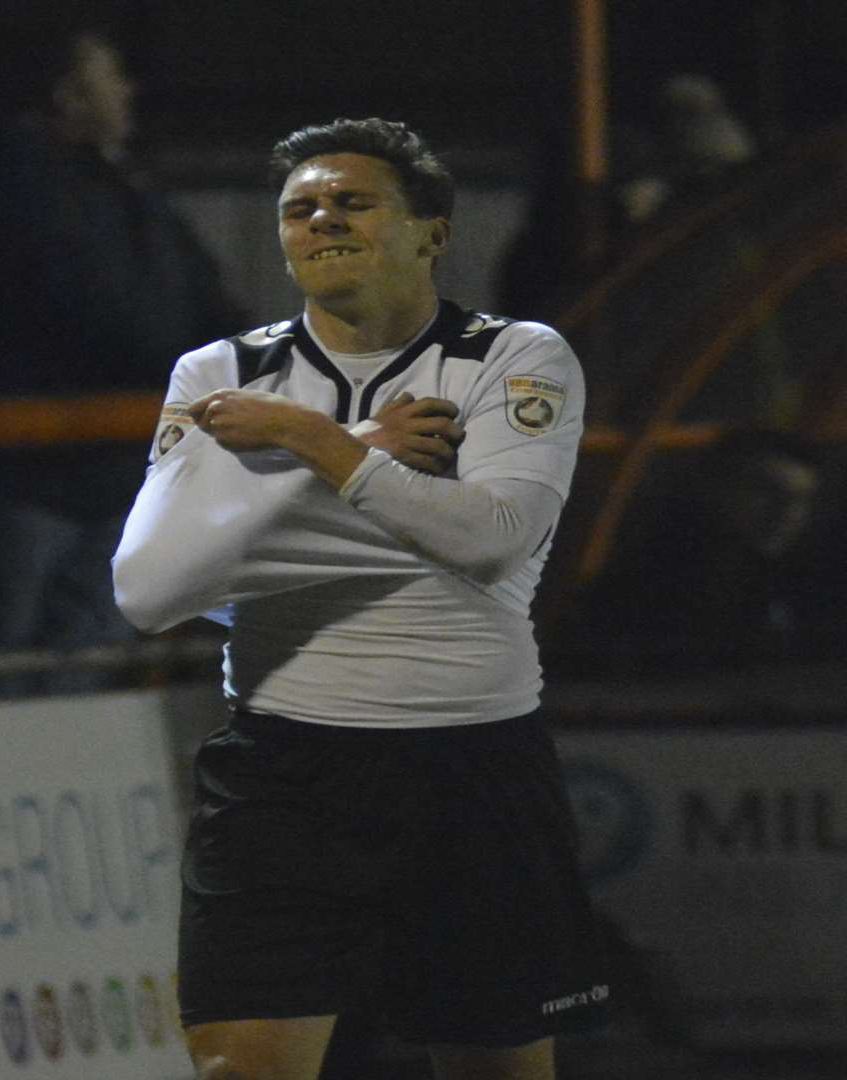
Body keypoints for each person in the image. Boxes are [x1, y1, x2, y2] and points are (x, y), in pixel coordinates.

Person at [112, 118, 604, 1079]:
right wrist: (382, 466)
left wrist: (312, 446)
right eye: (300, 208)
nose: (320, 217)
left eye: (353, 200)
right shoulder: (220, 375)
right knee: (239, 1069)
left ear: (432, 232)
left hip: (475, 765)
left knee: (492, 1070)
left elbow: (491, 540)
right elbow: (151, 587)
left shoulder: (515, 355)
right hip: (284, 769)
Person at [0, 13, 245, 690]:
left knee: (61, 657)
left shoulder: (111, 185)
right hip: (22, 475)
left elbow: (193, 298)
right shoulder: (18, 180)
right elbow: (104, 307)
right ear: (67, 95)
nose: (128, 91)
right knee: (3, 658)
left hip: (91, 467)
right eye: (110, 76)